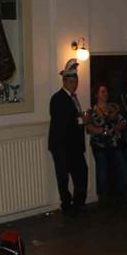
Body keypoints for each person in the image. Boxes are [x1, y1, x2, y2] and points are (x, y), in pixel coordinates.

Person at [48, 59, 88, 216]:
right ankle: (67, 204)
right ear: (64, 81)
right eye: (71, 81)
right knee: (63, 177)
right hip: (62, 145)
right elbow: (62, 121)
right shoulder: (57, 98)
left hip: (74, 145)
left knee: (81, 173)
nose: (74, 84)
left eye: (75, 81)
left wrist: (81, 119)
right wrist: (80, 119)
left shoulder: (73, 97)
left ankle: (79, 203)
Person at [86, 84, 127, 202]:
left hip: (114, 143)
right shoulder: (91, 111)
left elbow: (123, 121)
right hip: (100, 145)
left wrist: (118, 127)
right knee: (102, 171)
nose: (105, 94)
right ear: (96, 95)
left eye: (106, 91)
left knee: (120, 168)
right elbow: (89, 128)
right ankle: (103, 197)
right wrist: (102, 130)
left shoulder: (113, 108)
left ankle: (121, 194)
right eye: (102, 92)